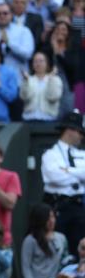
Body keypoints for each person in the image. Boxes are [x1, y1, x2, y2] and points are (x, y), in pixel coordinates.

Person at [40, 110, 85, 257]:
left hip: (78, 207)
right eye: (79, 132)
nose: (81, 136)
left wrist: (67, 171)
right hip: (57, 206)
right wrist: (78, 174)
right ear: (70, 130)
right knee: (55, 249)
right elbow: (53, 177)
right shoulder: (51, 154)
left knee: (79, 249)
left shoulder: (81, 154)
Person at [0, 2, 35, 76]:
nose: (2, 16)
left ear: (11, 14)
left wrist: (9, 43)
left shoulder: (23, 31)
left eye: (5, 13)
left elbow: (28, 54)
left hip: (19, 78)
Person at [20, 52, 64, 121]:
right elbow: (25, 97)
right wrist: (26, 82)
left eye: (41, 61)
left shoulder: (55, 79)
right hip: (29, 119)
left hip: (48, 119)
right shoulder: (28, 79)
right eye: (35, 61)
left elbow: (53, 97)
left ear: (47, 63)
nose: (38, 64)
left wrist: (51, 79)